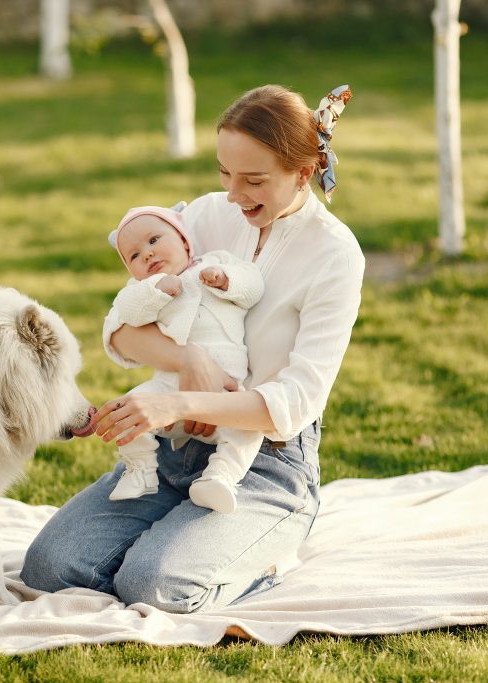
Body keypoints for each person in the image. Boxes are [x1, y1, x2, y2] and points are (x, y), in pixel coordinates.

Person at [21, 84, 364, 613]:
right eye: (225, 173)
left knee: (154, 587)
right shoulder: (204, 217)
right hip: (172, 451)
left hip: (265, 462)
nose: (233, 194)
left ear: (304, 172)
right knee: (50, 569)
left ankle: (267, 553)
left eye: (253, 180)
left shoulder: (335, 255)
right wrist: (188, 361)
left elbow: (296, 403)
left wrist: (179, 402)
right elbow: (120, 330)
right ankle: (180, 530)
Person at [104, 204, 265, 514]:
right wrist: (157, 293)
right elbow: (127, 313)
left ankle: (221, 477)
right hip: (168, 390)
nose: (147, 255)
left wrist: (226, 280)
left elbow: (253, 285)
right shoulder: (142, 289)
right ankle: (141, 468)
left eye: (153, 241)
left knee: (248, 428)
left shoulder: (216, 263)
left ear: (183, 238)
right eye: (134, 256)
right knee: (129, 411)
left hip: (226, 391)